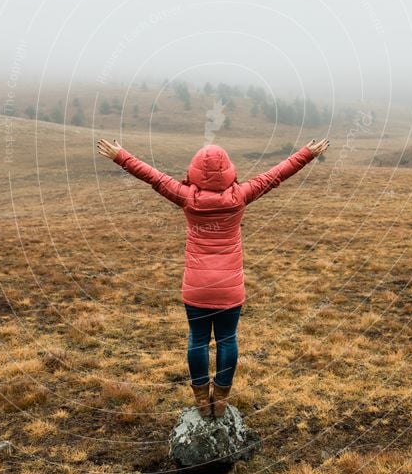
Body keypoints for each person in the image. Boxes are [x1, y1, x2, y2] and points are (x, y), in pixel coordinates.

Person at [97, 136, 330, 418]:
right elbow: (276, 175)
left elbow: (153, 178)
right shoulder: (242, 195)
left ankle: (200, 401)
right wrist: (307, 153)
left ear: (194, 170)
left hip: (196, 288)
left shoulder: (186, 197)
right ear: (229, 170)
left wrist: (120, 155)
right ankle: (220, 401)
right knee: (227, 340)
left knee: (197, 340)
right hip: (230, 289)